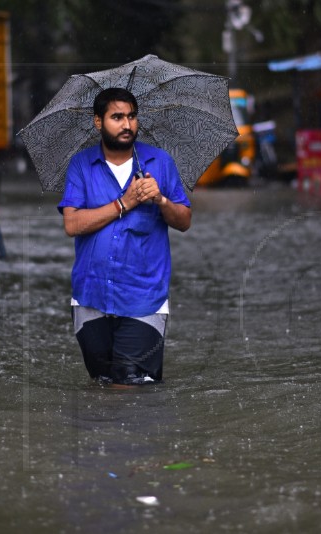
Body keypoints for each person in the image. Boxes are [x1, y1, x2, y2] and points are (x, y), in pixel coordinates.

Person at [58, 87, 191, 386]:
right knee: (102, 385)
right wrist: (124, 203)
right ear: (98, 122)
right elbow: (72, 224)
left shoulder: (160, 163)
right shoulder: (81, 165)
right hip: (90, 297)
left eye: (131, 116)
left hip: (144, 298)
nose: (127, 124)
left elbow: (184, 221)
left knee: (128, 384)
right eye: (117, 117)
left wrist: (161, 200)